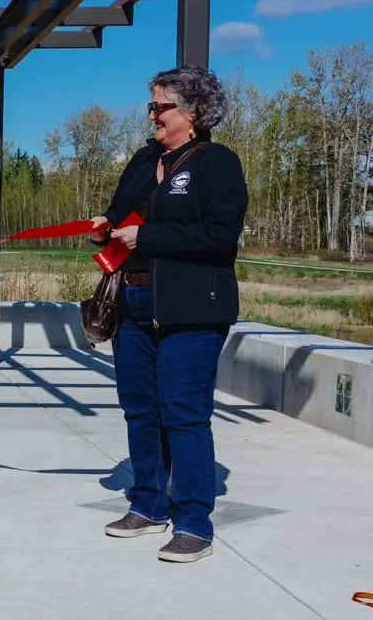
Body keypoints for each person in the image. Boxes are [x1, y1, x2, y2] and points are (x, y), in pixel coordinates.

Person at [89, 64, 248, 563]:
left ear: (194, 113)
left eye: (161, 106)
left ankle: (194, 523)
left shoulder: (216, 163)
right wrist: (105, 225)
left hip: (192, 310)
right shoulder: (143, 159)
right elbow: (121, 215)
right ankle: (147, 503)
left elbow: (219, 237)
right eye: (151, 105)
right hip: (132, 303)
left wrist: (148, 237)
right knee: (140, 409)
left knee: (184, 414)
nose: (152, 114)